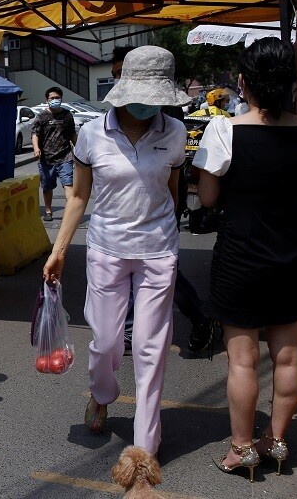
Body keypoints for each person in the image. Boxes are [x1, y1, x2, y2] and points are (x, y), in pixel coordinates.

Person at [42, 46, 190, 456]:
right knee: (106, 342)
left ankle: (145, 444)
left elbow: (173, 196)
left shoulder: (175, 133)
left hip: (158, 253)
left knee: (150, 346)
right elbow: (78, 198)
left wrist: (164, 238)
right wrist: (58, 251)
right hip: (107, 248)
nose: (148, 105)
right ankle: (101, 393)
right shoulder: (92, 133)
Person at [193, 37, 297, 481]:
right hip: (290, 254)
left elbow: (209, 197)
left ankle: (241, 449)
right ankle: (277, 441)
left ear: (243, 82)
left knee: (243, 360)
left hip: (241, 256)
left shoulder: (224, 130)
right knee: (288, 357)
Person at [112, 49, 214, 356]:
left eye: (121, 73)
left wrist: (170, 211)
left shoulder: (166, 114)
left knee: (169, 275)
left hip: (159, 212)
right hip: (123, 218)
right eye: (116, 75)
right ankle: (130, 330)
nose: (118, 80)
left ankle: (200, 318)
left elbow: (171, 170)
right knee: (127, 273)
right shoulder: (110, 118)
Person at [31, 86, 77, 222]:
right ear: (47, 100)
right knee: (47, 186)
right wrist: (36, 148)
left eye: (57, 98)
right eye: (52, 98)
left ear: (61, 98)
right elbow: (35, 134)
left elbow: (72, 134)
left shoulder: (67, 115)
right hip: (47, 158)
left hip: (65, 156)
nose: (55, 100)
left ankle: (69, 213)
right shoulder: (42, 116)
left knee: (68, 185)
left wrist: (79, 148)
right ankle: (48, 211)